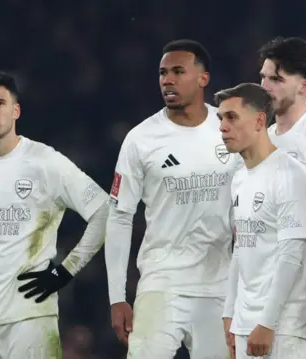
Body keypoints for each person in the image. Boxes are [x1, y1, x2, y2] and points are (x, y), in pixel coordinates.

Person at [0, 71, 109, 358]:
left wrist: (65, 272)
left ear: (16, 111)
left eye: (0, 103)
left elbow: (104, 210)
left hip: (29, 317)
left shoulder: (45, 162)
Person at [104, 39, 242, 359]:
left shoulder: (230, 129)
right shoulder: (141, 139)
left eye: (179, 71)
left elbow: (245, 207)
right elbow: (120, 216)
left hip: (218, 287)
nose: (168, 79)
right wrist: (116, 296)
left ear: (203, 78)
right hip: (161, 282)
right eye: (163, 72)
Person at [218, 83, 306, 359]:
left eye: (232, 117)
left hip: (283, 326)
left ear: (260, 120)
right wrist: (230, 312)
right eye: (221, 118)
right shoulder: (240, 178)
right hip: (246, 322)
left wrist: (268, 321)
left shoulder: (290, 175)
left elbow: (292, 254)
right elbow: (241, 247)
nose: (223, 127)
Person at [258, 36, 306, 179]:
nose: (264, 87)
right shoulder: (263, 138)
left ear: (304, 86)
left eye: (276, 79)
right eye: (263, 77)